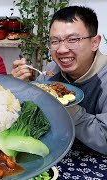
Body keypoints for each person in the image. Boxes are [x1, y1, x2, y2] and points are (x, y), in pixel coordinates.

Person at [11, 6, 107, 155]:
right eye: (54, 41)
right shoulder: (51, 71)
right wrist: (22, 90)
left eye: (73, 39)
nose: (62, 50)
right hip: (55, 155)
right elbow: (33, 121)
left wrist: (70, 109)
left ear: (94, 42)